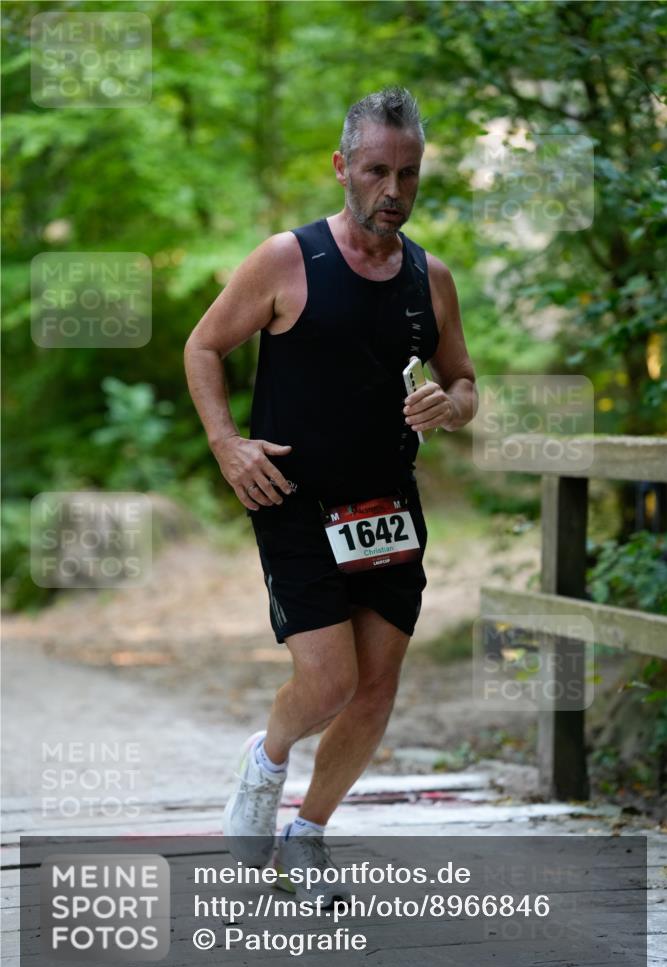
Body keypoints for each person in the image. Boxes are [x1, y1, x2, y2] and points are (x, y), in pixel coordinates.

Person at [184, 87, 476, 903]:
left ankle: (306, 835)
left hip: (387, 508)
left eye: (408, 174)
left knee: (375, 688)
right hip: (294, 498)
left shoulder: (429, 277)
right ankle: (265, 760)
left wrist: (451, 407)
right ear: (342, 167)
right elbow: (203, 347)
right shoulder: (287, 259)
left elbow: (462, 380)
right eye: (377, 171)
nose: (393, 190)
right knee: (327, 684)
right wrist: (227, 444)